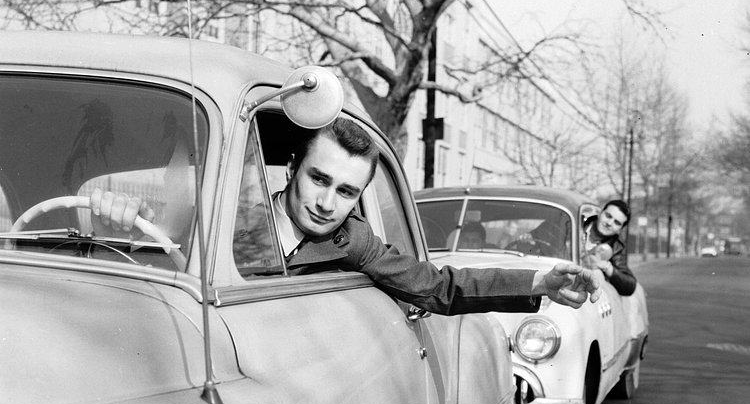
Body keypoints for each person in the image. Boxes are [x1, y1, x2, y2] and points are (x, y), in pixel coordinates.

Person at [92, 117, 601, 314]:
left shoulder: (352, 241)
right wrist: (109, 228)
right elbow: (161, 267)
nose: (326, 203)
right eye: (318, 179)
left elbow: (439, 285)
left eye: (345, 191)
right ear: (293, 167)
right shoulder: (223, 216)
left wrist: (539, 279)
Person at [581, 199, 637, 296]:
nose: (609, 223)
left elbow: (630, 286)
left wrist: (607, 268)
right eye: (608, 216)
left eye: (617, 223)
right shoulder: (577, 224)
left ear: (620, 230)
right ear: (600, 213)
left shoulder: (617, 246)